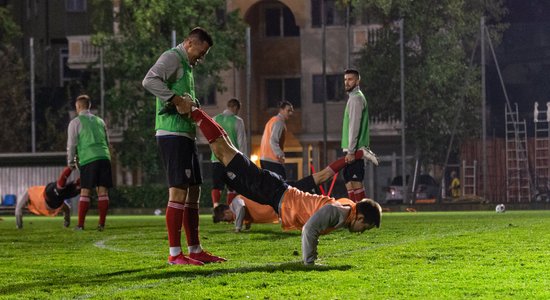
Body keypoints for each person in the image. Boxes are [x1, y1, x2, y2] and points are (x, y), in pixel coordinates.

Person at [176, 100, 382, 265]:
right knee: (224, 152)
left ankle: (197, 114)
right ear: (360, 217)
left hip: (276, 193)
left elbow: (323, 176)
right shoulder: (339, 212)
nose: (362, 232)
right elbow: (310, 229)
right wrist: (310, 262)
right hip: (273, 190)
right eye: (366, 227)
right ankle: (196, 113)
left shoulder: (345, 209)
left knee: (227, 153)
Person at [142, 27, 225, 265]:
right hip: (171, 133)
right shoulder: (172, 57)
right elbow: (149, 80)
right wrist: (177, 100)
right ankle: (175, 254)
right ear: (189, 43)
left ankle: (195, 249)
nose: (202, 57)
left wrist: (191, 102)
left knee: (194, 190)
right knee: (178, 191)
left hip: (186, 134)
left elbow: (181, 96)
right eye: (201, 51)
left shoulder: (187, 66)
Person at [213, 149, 378, 232]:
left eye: (225, 218)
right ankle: (359, 153)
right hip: (285, 195)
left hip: (287, 195)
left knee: (323, 176)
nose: (228, 219)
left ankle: (360, 153)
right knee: (322, 176)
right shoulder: (345, 207)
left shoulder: (237, 202)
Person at [67, 94, 113, 231]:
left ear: (79, 106)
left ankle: (80, 225)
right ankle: (101, 224)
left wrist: (70, 162)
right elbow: (107, 141)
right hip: (104, 157)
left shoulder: (75, 122)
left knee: (85, 191)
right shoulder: (100, 121)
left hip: (89, 159)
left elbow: (71, 144)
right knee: (103, 192)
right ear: (89, 106)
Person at [341, 69, 371, 203]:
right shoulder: (353, 98)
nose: (347, 82)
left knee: (355, 181)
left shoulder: (356, 98)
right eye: (345, 79)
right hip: (351, 150)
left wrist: (352, 151)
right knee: (348, 181)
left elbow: (354, 126)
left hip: (356, 150)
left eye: (350, 79)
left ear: (358, 81)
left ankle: (364, 215)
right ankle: (355, 213)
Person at [210, 98, 247, 208]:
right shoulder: (238, 121)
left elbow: (210, 138)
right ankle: (230, 211)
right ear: (235, 107)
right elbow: (242, 143)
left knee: (217, 186)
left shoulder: (215, 119)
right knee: (232, 187)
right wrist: (244, 161)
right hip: (232, 159)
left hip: (216, 158)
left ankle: (216, 208)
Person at [15, 167, 80, 229]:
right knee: (61, 190)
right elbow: (67, 209)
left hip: (51, 199)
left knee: (66, 191)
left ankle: (79, 183)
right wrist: (66, 223)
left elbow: (18, 209)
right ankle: (72, 171)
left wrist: (19, 226)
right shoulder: (31, 192)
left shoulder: (28, 193)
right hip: (51, 197)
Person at [259, 100, 294, 180]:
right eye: (288, 111)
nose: (291, 113)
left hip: (264, 159)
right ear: (281, 110)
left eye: (291, 111)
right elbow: (273, 140)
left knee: (270, 186)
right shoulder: (279, 122)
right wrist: (280, 155)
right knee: (283, 185)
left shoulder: (272, 120)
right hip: (273, 160)